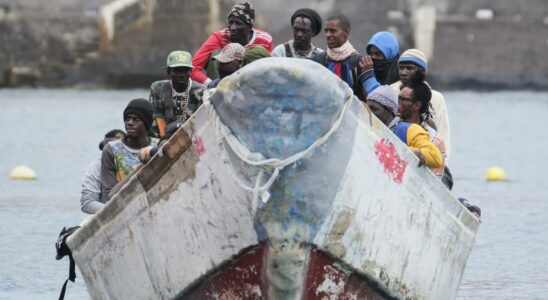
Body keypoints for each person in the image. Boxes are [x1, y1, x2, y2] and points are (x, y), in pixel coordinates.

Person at [190, 2, 273, 86]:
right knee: (216, 54)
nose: (232, 28)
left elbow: (270, 69)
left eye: (238, 23)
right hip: (220, 81)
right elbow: (192, 69)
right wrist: (211, 84)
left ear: (249, 26)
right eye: (231, 22)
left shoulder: (264, 40)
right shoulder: (219, 37)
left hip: (253, 84)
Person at [391, 49, 451, 163]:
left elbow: (443, 133)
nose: (404, 72)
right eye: (401, 67)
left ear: (421, 72)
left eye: (409, 68)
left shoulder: (436, 98)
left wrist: (444, 163)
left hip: (427, 153)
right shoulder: (389, 91)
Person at [365, 85, 443, 169]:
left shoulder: (409, 130)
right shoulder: (368, 129)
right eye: (367, 108)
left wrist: (412, 152)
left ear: (388, 111)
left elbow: (436, 157)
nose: (369, 112)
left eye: (374, 109)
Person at [101, 99, 155, 201]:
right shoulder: (111, 150)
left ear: (147, 124)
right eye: (127, 119)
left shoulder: (158, 147)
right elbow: (110, 197)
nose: (130, 123)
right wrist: (141, 167)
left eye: (136, 119)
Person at [397, 79, 447, 181]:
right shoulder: (392, 124)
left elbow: (435, 181)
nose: (398, 103)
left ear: (416, 105)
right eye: (398, 98)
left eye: (402, 100)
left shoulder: (435, 140)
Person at [150, 50, 206, 138]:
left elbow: (203, 124)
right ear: (168, 71)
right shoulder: (158, 88)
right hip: (161, 139)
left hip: (192, 139)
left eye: (185, 70)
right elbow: (156, 118)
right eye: (177, 70)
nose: (181, 74)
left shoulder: (201, 92)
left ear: (190, 71)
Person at [313, 13, 364, 99]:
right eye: (326, 31)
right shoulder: (318, 60)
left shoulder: (359, 63)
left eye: (333, 30)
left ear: (346, 31)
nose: (328, 35)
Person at [80, 129, 125, 214]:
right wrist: (117, 211)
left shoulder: (135, 162)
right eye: (107, 150)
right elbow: (87, 203)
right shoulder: (96, 167)